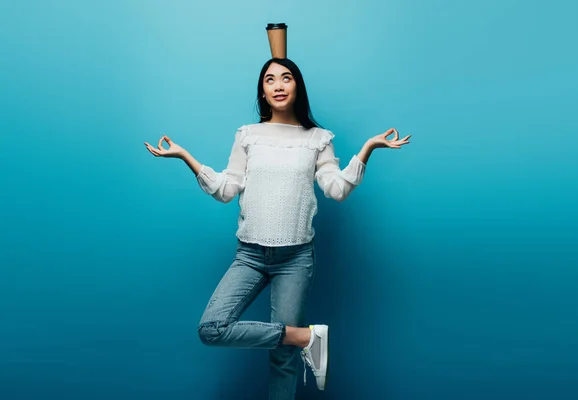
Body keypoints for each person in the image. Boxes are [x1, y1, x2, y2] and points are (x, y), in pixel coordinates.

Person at [144, 57, 411, 399]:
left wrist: (367, 149)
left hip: (296, 259)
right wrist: (186, 157)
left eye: (286, 78)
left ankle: (299, 342)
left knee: (283, 361)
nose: (279, 85)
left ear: (297, 86)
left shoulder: (317, 139)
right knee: (212, 329)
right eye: (270, 80)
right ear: (263, 91)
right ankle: (305, 337)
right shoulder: (248, 135)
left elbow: (337, 189)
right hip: (250, 256)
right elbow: (226, 190)